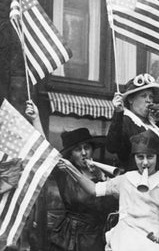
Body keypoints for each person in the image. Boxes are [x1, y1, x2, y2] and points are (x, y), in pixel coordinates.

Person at [57, 130, 159, 251]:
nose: (145, 162)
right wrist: (71, 169)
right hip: (126, 238)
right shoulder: (125, 179)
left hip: (156, 237)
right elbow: (94, 189)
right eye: (140, 157)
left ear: (158, 157)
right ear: (134, 157)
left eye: (150, 157)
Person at [25, 102, 117, 251]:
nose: (84, 153)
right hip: (69, 237)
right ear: (71, 155)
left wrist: (101, 177)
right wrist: (36, 119)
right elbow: (46, 153)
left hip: (97, 238)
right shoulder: (64, 172)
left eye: (86, 147)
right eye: (78, 150)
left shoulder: (103, 172)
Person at [107, 73, 159, 172]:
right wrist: (118, 113)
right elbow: (112, 146)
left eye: (151, 97)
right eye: (144, 96)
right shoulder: (126, 121)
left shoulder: (153, 123)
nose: (149, 100)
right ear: (131, 99)